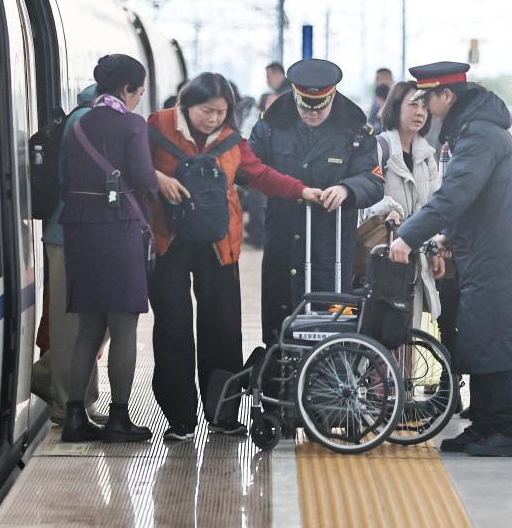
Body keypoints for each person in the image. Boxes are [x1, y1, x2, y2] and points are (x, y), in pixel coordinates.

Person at [389, 61, 512, 457]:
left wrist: (407, 236)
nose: (425, 107)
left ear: (447, 95)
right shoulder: (474, 129)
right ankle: (485, 424)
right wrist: (450, 236)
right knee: (482, 339)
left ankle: (506, 429)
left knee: (493, 342)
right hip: (485, 250)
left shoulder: (479, 134)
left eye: (428, 99)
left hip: (495, 256)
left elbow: (454, 196)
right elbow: (475, 200)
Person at [146, 73, 321, 439]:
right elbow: (133, 166)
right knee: (173, 329)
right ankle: (179, 419)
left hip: (219, 245)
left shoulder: (232, 142)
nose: (213, 119)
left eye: (221, 112)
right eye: (206, 111)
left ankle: (222, 414)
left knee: (223, 329)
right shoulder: (157, 126)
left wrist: (301, 190)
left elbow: (262, 176)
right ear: (186, 104)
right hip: (168, 243)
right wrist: (156, 178)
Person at [59, 54, 158, 443]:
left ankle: (74, 417)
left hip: (80, 230)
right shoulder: (132, 125)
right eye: (139, 93)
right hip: (119, 230)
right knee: (123, 324)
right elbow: (145, 180)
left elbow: (64, 177)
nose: (138, 99)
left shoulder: (77, 124)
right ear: (126, 90)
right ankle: (119, 418)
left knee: (88, 328)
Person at [249, 59, 384, 344]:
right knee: (280, 322)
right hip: (283, 239)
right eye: (305, 107)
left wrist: (347, 188)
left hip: (330, 246)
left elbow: (373, 181)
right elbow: (249, 168)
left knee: (329, 325)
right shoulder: (270, 126)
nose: (312, 113)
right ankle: (278, 370)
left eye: (320, 107)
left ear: (332, 96)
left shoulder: (356, 133)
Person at [34, 84, 103, 426]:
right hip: (68, 235)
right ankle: (66, 401)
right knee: (70, 327)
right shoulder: (85, 122)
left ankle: (77, 397)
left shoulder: (85, 119)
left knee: (87, 324)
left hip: (79, 234)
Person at [360, 81, 443, 328]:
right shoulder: (379, 148)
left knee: (407, 335)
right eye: (413, 105)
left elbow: (435, 207)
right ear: (396, 107)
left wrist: (436, 248)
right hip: (383, 261)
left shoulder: (427, 156)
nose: (420, 112)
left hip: (415, 264)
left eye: (425, 107)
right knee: (381, 335)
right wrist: (389, 208)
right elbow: (362, 205)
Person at [246, 62, 292, 247]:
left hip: (279, 153)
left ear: (277, 74)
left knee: (260, 189)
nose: (267, 80)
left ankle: (260, 236)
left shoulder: (285, 95)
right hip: (278, 153)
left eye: (268, 76)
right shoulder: (284, 92)